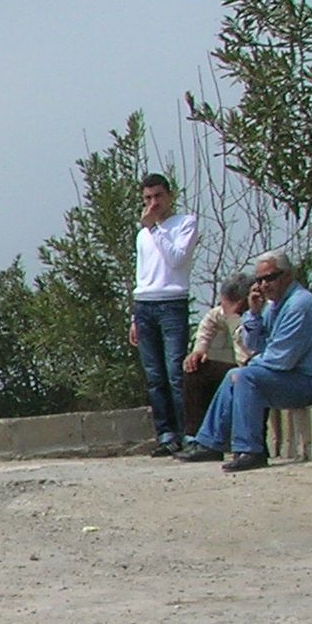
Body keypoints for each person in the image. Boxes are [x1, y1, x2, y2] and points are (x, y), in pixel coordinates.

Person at [177, 251, 312, 471]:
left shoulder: (300, 305)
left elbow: (281, 359)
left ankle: (250, 450)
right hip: (293, 377)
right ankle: (209, 443)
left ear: (287, 276)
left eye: (271, 277)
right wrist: (254, 314)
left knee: (244, 376)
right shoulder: (274, 306)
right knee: (235, 375)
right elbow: (253, 345)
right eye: (260, 280)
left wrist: (248, 366)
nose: (264, 285)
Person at [128, 173, 200, 457]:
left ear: (169, 195)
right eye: (147, 198)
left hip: (171, 303)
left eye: (158, 196)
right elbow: (142, 274)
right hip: (145, 304)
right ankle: (166, 433)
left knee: (175, 372)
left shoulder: (184, 224)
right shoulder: (142, 234)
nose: (153, 203)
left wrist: (156, 229)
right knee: (154, 375)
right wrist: (135, 316)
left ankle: (189, 433)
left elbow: (178, 258)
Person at [181, 275, 252, 439]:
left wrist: (234, 319)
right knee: (196, 370)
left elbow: (250, 350)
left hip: (255, 368)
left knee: (240, 377)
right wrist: (199, 350)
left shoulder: (263, 312)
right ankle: (194, 436)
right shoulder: (222, 312)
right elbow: (208, 323)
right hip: (238, 369)